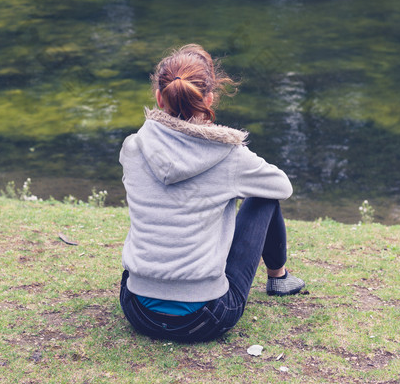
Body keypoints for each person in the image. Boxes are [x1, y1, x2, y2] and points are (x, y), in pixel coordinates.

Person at [119, 44, 305, 342]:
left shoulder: (132, 146)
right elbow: (282, 186)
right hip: (204, 318)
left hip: (137, 310)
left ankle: (158, 288)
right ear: (209, 98)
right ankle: (278, 278)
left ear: (158, 97)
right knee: (264, 194)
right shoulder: (230, 155)